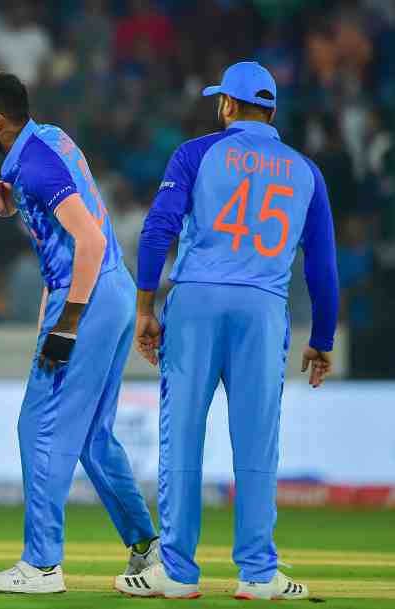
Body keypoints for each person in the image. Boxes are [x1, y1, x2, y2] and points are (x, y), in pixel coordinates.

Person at [117, 61, 338, 601]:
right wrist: (322, 338)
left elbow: (158, 229)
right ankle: (259, 574)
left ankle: (176, 571)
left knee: (182, 437)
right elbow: (322, 266)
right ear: (272, 112)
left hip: (196, 302)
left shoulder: (195, 153)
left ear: (228, 105)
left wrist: (145, 306)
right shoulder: (306, 171)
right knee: (258, 443)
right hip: (262, 308)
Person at [0, 71, 159, 594]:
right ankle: (148, 548)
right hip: (112, 292)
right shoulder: (44, 143)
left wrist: (68, 322)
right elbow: (9, 202)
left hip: (86, 295)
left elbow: (90, 240)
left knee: (38, 428)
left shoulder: (36, 164)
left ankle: (41, 565)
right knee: (92, 436)